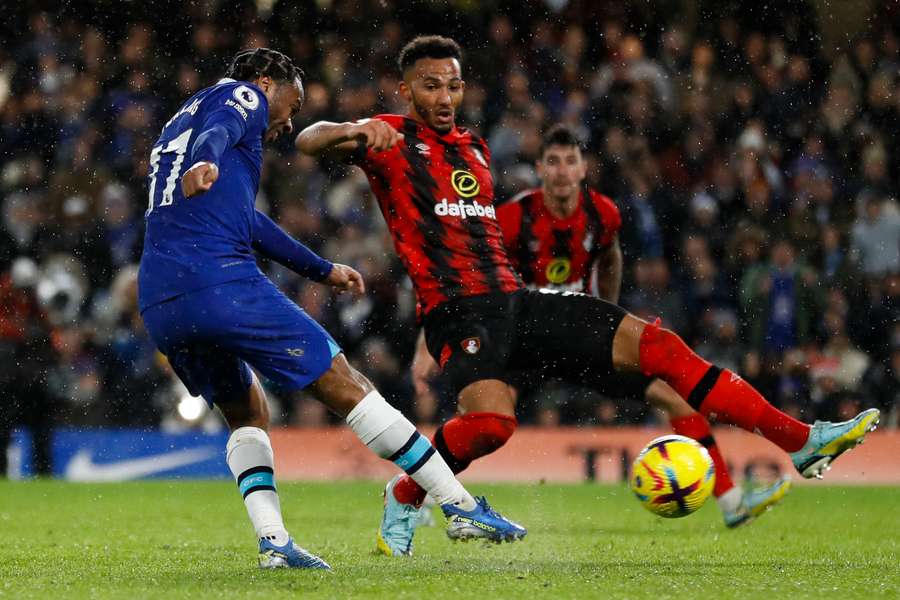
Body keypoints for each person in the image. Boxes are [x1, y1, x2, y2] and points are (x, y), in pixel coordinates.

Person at [295, 35, 879, 556]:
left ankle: (800, 441)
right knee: (493, 427)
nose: (444, 96)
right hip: (458, 309)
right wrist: (349, 130)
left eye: (453, 84)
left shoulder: (473, 147)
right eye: (430, 86)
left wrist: (607, 305)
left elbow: (597, 251)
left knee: (661, 347)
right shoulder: (392, 137)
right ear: (406, 90)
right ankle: (403, 493)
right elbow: (306, 139)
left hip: (519, 300)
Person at [138, 47, 525, 570]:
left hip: (161, 299)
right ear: (269, 83)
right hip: (218, 281)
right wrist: (210, 155)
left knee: (246, 412)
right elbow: (228, 125)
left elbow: (247, 223)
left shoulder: (177, 124)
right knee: (346, 383)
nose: (286, 122)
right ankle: (458, 504)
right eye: (290, 107)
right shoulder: (241, 94)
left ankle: (274, 543)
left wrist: (322, 270)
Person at [445, 123, 789, 528]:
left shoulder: (602, 214)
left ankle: (731, 503)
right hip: (526, 338)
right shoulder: (513, 216)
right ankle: (431, 497)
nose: (560, 170)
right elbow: (477, 270)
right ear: (539, 168)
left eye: (569, 161)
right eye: (552, 162)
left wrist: (606, 313)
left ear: (582, 168)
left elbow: (610, 257)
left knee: (675, 398)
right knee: (478, 414)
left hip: (576, 337)